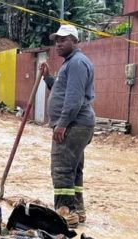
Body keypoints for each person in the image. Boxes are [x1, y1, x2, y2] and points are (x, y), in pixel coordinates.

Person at [40, 24, 95, 228]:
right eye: (56, 40)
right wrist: (47, 78)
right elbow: (62, 90)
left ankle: (65, 212)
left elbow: (74, 99)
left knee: (62, 168)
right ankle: (77, 210)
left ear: (75, 40)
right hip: (78, 125)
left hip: (73, 125)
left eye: (63, 39)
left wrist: (62, 124)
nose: (58, 43)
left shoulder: (77, 63)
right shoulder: (71, 63)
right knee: (74, 168)